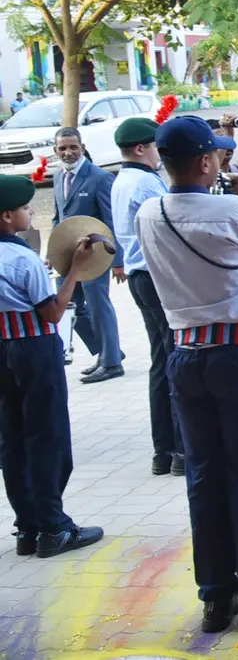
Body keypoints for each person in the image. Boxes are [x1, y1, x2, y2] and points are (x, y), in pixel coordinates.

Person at [134, 115, 238, 634]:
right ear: (207, 162)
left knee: (205, 478)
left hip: (186, 357)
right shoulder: (231, 209)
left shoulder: (149, 211)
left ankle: (215, 597)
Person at [0, 175, 103, 558]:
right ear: (8, 216)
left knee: (11, 438)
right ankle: (54, 527)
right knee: (46, 436)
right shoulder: (22, 258)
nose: (30, 212)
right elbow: (52, 312)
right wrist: (75, 269)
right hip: (33, 348)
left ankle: (26, 526)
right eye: (26, 208)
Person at [110, 116, 184, 476]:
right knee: (175, 361)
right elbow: (171, 225)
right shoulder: (145, 184)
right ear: (141, 148)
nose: (159, 154)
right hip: (156, 276)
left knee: (161, 362)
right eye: (155, 146)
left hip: (141, 275)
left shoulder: (123, 180)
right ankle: (182, 449)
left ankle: (164, 450)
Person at [52, 127, 124, 383]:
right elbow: (57, 218)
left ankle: (112, 363)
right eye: (63, 148)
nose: (68, 152)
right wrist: (52, 252)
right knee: (68, 306)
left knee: (97, 306)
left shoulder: (99, 177)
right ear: (55, 151)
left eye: (73, 147)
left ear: (82, 148)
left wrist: (117, 261)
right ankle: (108, 350)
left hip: (96, 256)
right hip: (67, 258)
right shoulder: (58, 177)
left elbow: (111, 221)